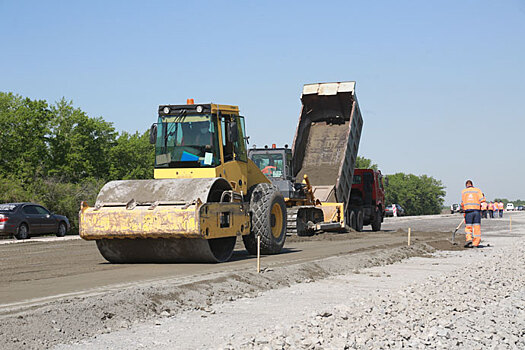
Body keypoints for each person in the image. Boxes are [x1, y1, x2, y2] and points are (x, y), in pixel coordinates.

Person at [460, 180, 486, 247]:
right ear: (472, 184)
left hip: (468, 212)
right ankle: (476, 243)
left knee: (468, 227)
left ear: (466, 185)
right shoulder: (477, 190)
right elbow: (482, 201)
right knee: (477, 227)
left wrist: (463, 209)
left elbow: (462, 203)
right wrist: (483, 210)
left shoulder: (464, 192)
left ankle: (469, 239)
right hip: (477, 212)